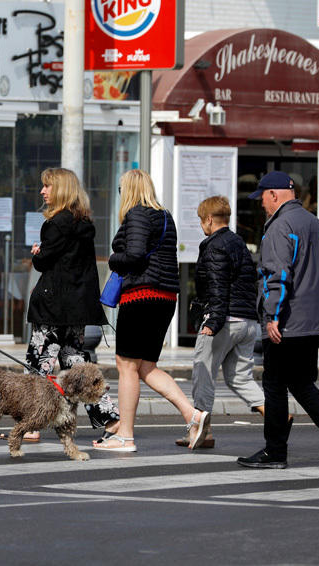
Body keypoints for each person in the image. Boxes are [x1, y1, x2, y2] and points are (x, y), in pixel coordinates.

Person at [237, 171, 319, 471]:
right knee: (299, 382)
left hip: (286, 321)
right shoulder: (317, 225)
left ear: (274, 195)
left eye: (262, 197)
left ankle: (275, 451)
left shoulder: (280, 226)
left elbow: (276, 275)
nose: (261, 204)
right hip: (311, 321)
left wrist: (271, 316)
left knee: (274, 384)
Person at [96, 169, 195, 453]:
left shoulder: (137, 214)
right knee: (146, 366)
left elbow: (135, 255)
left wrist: (114, 258)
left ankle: (125, 436)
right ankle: (193, 416)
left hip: (141, 296)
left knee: (126, 365)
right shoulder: (165, 216)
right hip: (165, 298)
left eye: (120, 189)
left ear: (129, 190)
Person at [25, 167, 119, 442]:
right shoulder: (84, 223)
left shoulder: (56, 224)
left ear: (61, 189)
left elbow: (45, 262)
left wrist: (38, 253)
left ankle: (31, 424)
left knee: (38, 364)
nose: (42, 191)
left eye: (47, 186)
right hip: (76, 307)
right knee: (77, 366)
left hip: (52, 306)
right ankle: (110, 418)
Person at [184, 195, 267, 449]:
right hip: (247, 322)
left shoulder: (215, 246)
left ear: (209, 219)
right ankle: (278, 416)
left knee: (203, 372)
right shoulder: (239, 242)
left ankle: (202, 432)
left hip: (224, 320)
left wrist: (213, 321)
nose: (201, 225)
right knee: (240, 378)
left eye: (201, 220)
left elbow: (217, 288)